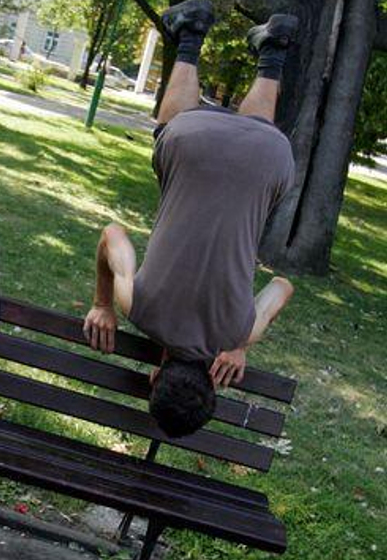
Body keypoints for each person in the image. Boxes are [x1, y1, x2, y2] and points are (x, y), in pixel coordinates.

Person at [83, 0, 296, 438]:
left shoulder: (241, 330)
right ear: (154, 376)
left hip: (271, 156)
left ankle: (273, 52)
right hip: (193, 141)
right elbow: (112, 235)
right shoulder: (138, 307)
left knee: (251, 147)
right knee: (172, 129)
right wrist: (104, 303)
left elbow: (281, 287)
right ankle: (190, 35)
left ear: (214, 382)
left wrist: (240, 345)